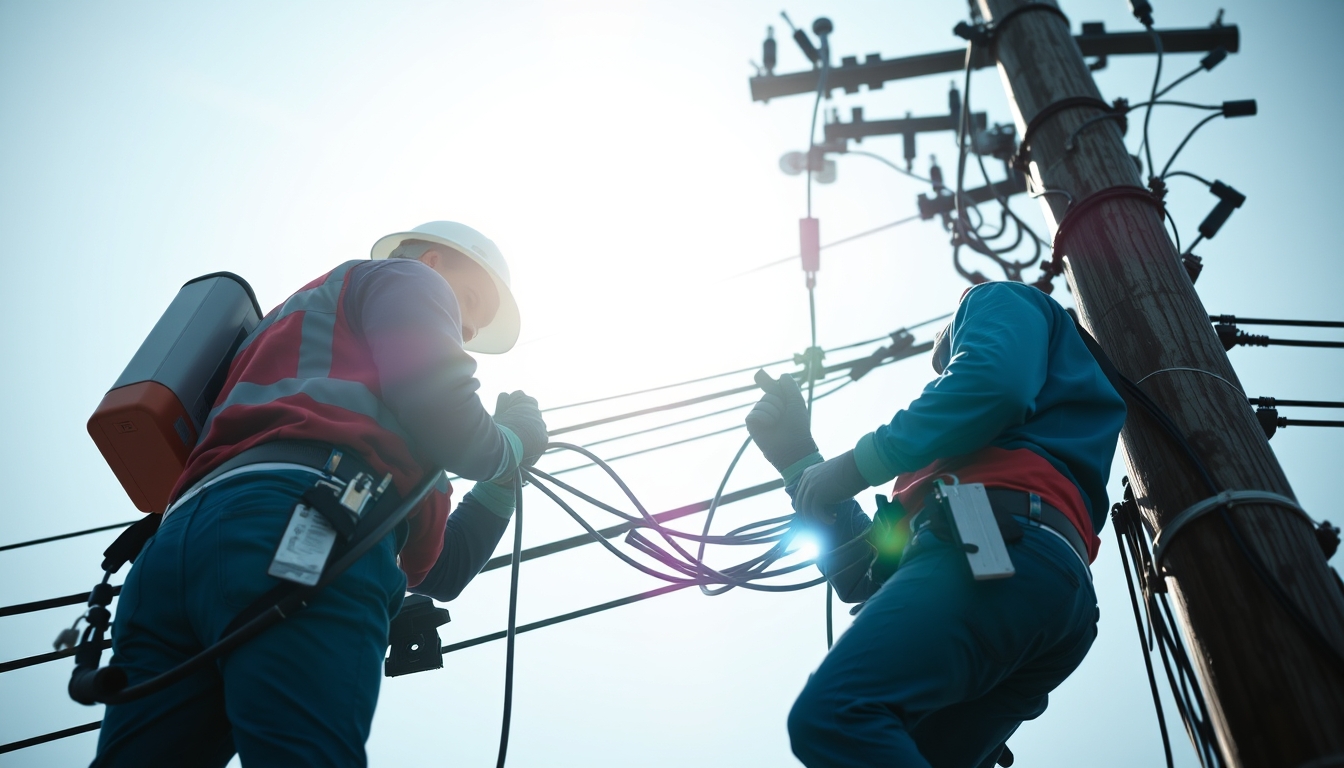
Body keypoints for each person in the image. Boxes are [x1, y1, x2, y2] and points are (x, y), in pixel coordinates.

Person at [92, 221, 548, 767]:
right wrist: (512, 445)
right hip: (305, 526)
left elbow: (444, 571)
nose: (466, 327)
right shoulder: (405, 279)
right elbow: (446, 413)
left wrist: (502, 478)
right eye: (469, 299)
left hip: (174, 553)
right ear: (432, 263)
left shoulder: (296, 339)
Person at [745, 281, 1127, 768]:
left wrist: (855, 465)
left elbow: (993, 384)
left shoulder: (995, 299)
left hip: (1001, 546)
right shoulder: (950, 470)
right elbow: (868, 577)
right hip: (1039, 585)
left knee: (837, 716)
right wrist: (798, 461)